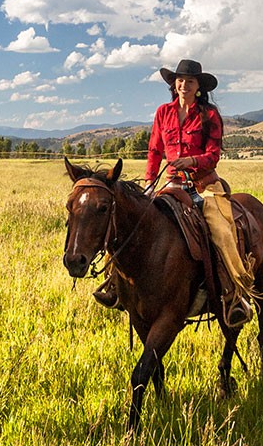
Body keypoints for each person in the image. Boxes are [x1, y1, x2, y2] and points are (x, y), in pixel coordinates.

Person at [94, 59, 253, 326]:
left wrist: (192, 161)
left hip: (204, 184)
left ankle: (234, 294)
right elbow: (155, 150)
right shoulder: (163, 113)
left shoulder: (209, 115)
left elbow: (213, 154)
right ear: (174, 84)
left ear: (198, 86)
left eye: (190, 81)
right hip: (169, 184)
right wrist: (148, 182)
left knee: (222, 230)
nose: (184, 85)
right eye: (179, 80)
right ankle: (114, 283)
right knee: (128, 219)